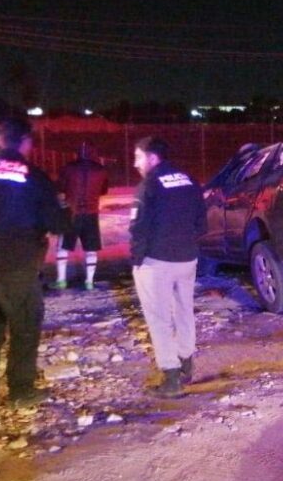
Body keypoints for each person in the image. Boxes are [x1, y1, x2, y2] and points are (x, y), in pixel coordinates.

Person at [0, 117, 67, 430]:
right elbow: (56, 223)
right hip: (18, 268)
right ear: (26, 143)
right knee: (25, 329)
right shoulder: (34, 177)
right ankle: (21, 392)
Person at [129, 136, 206, 398]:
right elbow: (201, 222)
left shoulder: (148, 185)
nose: (135, 163)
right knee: (184, 311)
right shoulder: (189, 180)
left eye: (138, 157)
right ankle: (186, 363)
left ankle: (171, 378)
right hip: (187, 259)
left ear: (152, 158)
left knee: (159, 318)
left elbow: (138, 228)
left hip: (156, 262)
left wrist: (138, 260)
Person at [54, 142, 110, 290]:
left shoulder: (69, 168)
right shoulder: (101, 170)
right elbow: (104, 191)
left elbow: (60, 187)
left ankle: (61, 280)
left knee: (62, 247)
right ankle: (89, 282)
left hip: (72, 213)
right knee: (91, 249)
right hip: (91, 213)